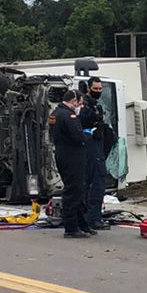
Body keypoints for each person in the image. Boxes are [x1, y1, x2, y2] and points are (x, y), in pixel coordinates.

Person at [51, 88, 94, 238]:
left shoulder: (55, 114)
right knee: (74, 191)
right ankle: (71, 228)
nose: (80, 107)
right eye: (80, 104)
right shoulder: (69, 116)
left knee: (77, 190)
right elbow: (78, 137)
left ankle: (82, 224)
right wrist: (89, 135)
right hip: (72, 156)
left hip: (62, 154)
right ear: (74, 101)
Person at [80, 78, 117, 233]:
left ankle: (87, 217)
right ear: (88, 88)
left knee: (91, 183)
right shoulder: (85, 106)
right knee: (97, 182)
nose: (99, 91)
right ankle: (93, 218)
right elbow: (84, 123)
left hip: (96, 147)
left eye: (100, 88)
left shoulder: (94, 105)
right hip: (91, 148)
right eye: (96, 88)